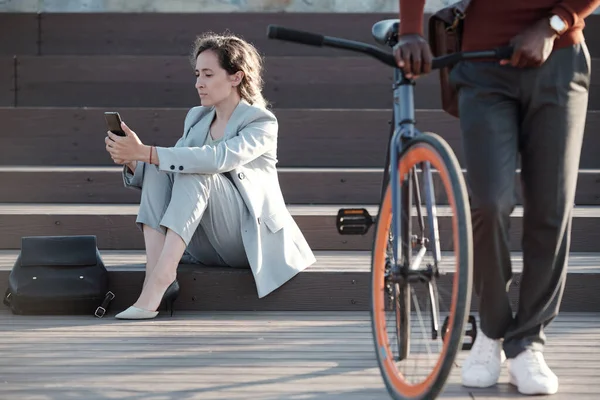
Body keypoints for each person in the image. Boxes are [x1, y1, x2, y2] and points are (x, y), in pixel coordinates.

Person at [394, 0, 599, 396]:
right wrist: (410, 29)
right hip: (481, 62)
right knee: (489, 202)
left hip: (558, 60)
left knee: (551, 208)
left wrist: (553, 25)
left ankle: (527, 342)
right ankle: (491, 331)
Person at [104, 32, 316, 320]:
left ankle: (161, 279)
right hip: (204, 241)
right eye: (196, 74)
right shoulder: (197, 117)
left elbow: (218, 159)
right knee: (159, 166)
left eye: (207, 74)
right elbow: (165, 168)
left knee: (194, 168)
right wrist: (133, 159)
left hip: (247, 241)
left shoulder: (261, 122)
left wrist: (147, 152)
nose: (198, 83)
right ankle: (155, 273)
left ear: (236, 77)